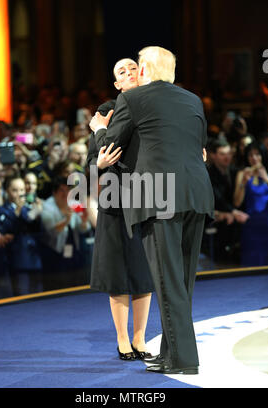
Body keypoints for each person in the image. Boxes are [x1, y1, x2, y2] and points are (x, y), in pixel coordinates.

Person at [90, 46, 215, 375]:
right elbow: (197, 147)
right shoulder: (193, 101)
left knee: (165, 280)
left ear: (144, 69)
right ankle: (172, 353)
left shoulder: (133, 99)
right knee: (182, 282)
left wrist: (97, 129)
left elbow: (109, 147)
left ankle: (183, 359)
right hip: (197, 194)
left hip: (159, 197)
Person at [87, 58, 155, 361]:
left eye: (131, 68)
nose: (128, 72)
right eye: (120, 72)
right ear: (116, 84)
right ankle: (123, 340)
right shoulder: (106, 110)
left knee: (144, 272)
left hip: (148, 196)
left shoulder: (155, 106)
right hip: (115, 199)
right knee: (118, 273)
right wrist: (98, 164)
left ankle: (140, 339)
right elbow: (92, 159)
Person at [234, 142, 268, 266]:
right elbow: (237, 202)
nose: (254, 158)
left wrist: (266, 179)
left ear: (263, 156)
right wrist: (243, 182)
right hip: (250, 224)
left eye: (257, 154)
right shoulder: (242, 174)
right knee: (251, 265)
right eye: (250, 155)